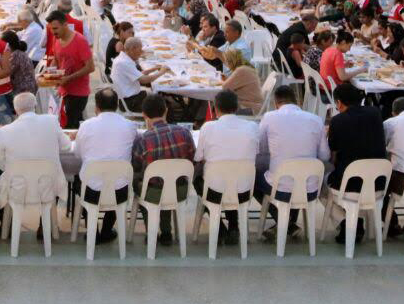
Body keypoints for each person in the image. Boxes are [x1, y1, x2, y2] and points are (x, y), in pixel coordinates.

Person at [194, 90, 262, 244]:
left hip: (214, 192)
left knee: (199, 176)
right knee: (234, 176)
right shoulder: (252, 127)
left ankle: (219, 227)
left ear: (215, 109)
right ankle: (233, 225)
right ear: (237, 107)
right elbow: (255, 153)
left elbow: (198, 157)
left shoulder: (208, 127)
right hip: (244, 192)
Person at [72, 89, 139, 244]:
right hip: (119, 190)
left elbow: (78, 154)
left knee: (83, 180)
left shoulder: (86, 126)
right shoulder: (130, 126)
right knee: (117, 182)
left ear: (96, 107)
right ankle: (107, 229)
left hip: (91, 191)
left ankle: (93, 231)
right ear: (117, 105)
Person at [130, 94, 195, 246]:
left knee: (144, 183)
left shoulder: (143, 139)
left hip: (153, 193)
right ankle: (166, 230)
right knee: (167, 181)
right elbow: (192, 160)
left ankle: (151, 231)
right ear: (166, 111)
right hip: (180, 191)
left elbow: (136, 166)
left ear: (144, 115)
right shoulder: (184, 133)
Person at [325, 83, 386, 242]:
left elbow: (333, 155)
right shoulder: (375, 113)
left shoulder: (337, 121)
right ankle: (354, 220)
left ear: (338, 103)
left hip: (350, 184)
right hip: (378, 183)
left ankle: (345, 221)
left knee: (317, 183)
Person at [46, 10, 93, 129]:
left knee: (70, 126)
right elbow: (56, 59)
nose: (53, 32)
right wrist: (50, 73)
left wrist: (69, 78)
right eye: (51, 29)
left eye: (55, 28)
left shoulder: (80, 41)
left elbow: (90, 67)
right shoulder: (56, 39)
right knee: (66, 121)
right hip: (63, 89)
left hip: (78, 92)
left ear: (65, 25)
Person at [109, 37, 169, 113]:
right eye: (140, 49)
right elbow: (143, 80)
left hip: (131, 97)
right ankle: (160, 123)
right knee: (163, 105)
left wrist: (154, 68)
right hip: (131, 102)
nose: (141, 52)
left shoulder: (122, 58)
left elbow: (138, 75)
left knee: (160, 97)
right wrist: (161, 72)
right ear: (132, 49)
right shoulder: (124, 62)